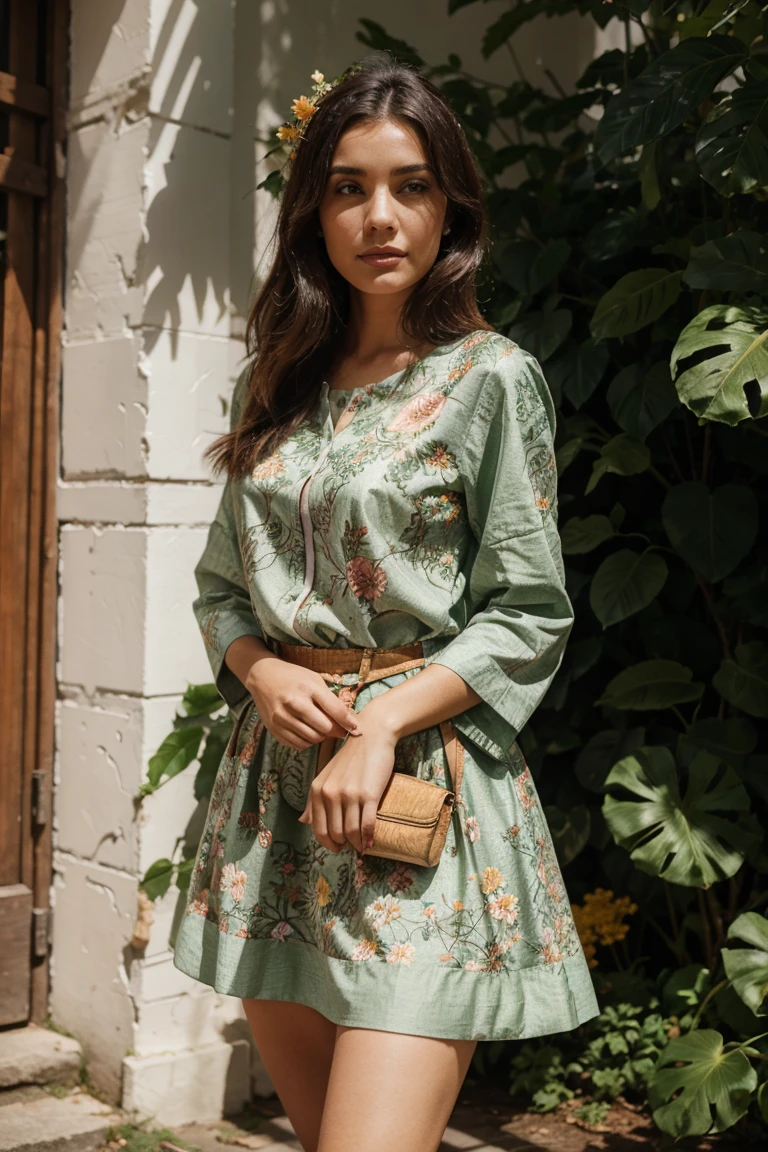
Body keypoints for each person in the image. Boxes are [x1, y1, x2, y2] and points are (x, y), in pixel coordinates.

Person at [171, 53, 599, 1152]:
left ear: (450, 201)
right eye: (350, 187)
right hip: (277, 812)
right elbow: (223, 589)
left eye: (410, 185)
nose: (381, 216)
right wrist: (260, 672)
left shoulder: (489, 379)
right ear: (314, 210)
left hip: (417, 803)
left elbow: (529, 611)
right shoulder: (279, 381)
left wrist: (380, 724)